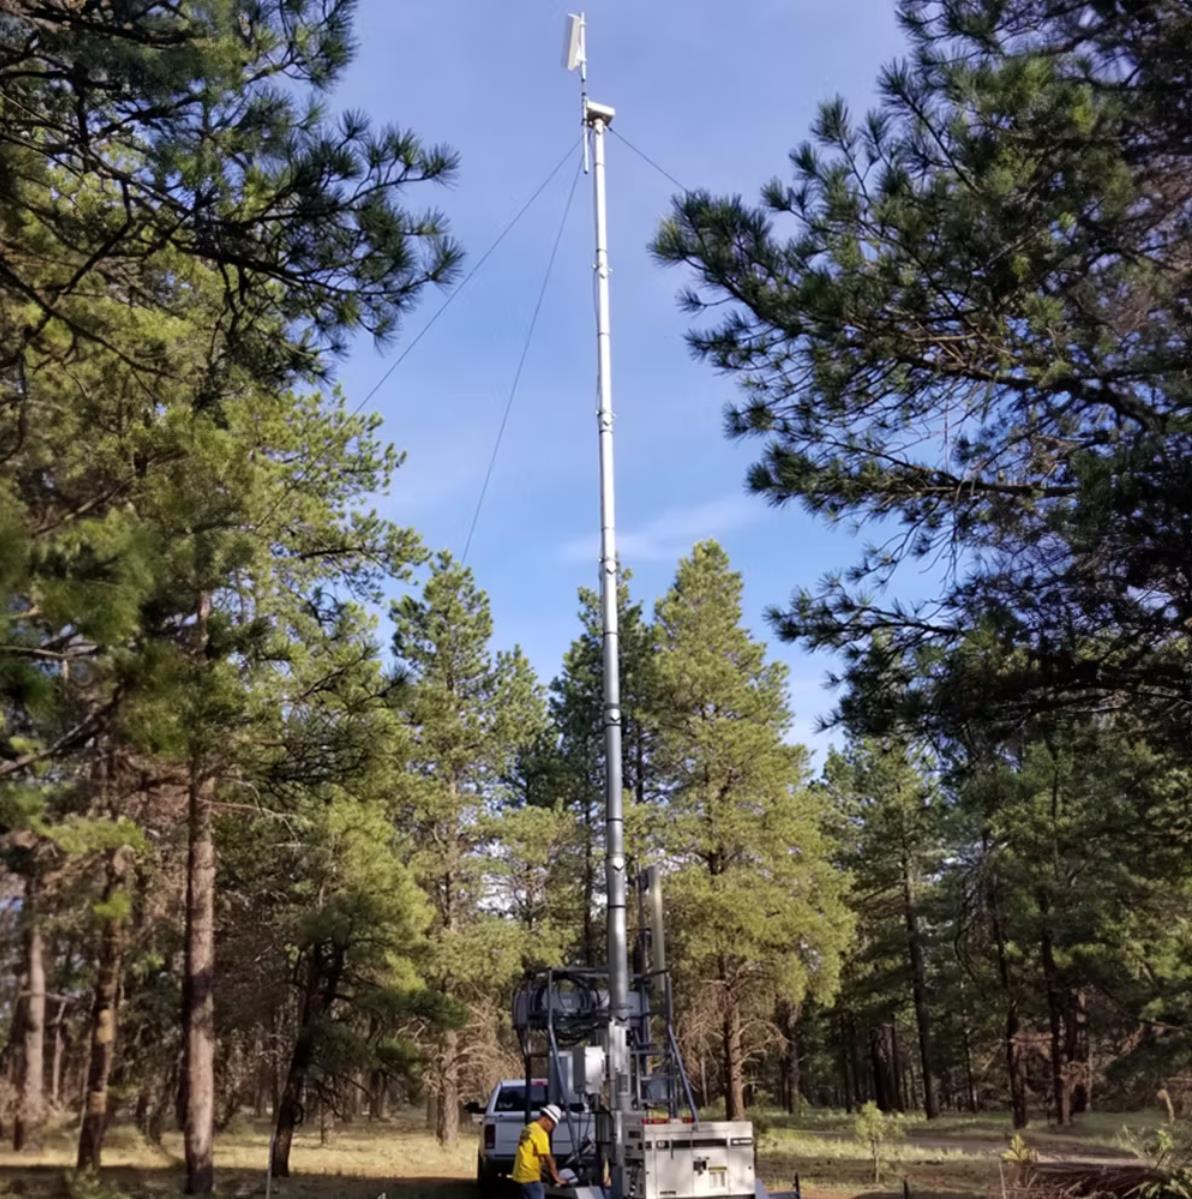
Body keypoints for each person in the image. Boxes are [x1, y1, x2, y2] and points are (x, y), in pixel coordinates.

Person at [510, 1102, 564, 1198]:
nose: (553, 1128)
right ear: (547, 1119)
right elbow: (547, 1157)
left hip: (519, 1176)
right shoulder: (540, 1133)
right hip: (530, 1178)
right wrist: (556, 1177)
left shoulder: (529, 1128)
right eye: (553, 1124)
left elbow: (531, 1153)